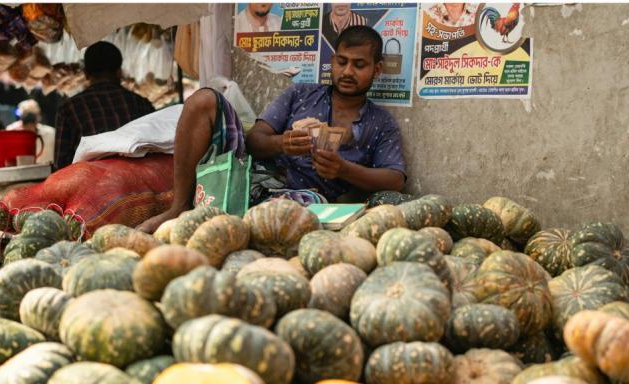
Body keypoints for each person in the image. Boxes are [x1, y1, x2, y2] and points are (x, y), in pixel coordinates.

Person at [137, 25, 405, 233]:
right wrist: (282, 143)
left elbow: (395, 180)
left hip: (305, 200)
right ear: (332, 62)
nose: (348, 71)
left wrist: (343, 169)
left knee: (307, 210)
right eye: (342, 61)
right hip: (251, 176)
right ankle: (180, 205)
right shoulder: (300, 94)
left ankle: (230, 217)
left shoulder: (380, 122)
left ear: (377, 69)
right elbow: (254, 140)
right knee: (203, 100)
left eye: (359, 65)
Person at [53, 41, 155, 170]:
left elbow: (61, 166)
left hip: (91, 186)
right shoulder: (141, 104)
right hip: (142, 184)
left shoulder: (69, 109)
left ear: (85, 73)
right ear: (120, 72)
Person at [7, 99, 55, 165]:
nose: (29, 119)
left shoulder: (51, 133)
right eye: (26, 115)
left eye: (32, 115)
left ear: (38, 116)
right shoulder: (11, 132)